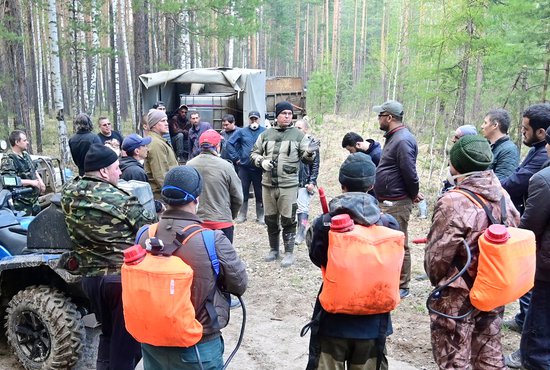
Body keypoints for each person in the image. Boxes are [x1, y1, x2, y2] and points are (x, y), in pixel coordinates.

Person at [137, 166, 248, 370]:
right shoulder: (211, 240)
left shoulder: (144, 235)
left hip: (152, 343)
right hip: (198, 346)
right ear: (197, 198)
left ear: (165, 197)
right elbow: (239, 285)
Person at [424, 135, 520, 369]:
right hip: (493, 288)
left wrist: (439, 282)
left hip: (458, 295)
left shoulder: (454, 201)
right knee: (488, 354)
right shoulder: (503, 195)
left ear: (456, 165)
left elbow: (437, 258)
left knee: (454, 358)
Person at [61, 143, 155, 370]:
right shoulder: (121, 198)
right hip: (120, 281)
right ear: (104, 172)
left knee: (108, 334)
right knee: (128, 347)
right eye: (116, 168)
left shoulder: (68, 193)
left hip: (91, 281)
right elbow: (146, 230)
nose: (120, 172)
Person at [305, 152, 400, 370]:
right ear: (372, 184)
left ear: (342, 184)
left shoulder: (324, 223)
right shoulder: (389, 223)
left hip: (332, 322)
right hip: (374, 324)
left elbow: (316, 257)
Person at [250, 101, 319, 267]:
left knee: (288, 218)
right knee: (270, 219)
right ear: (277, 115)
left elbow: (306, 159)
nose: (287, 116)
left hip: (288, 185)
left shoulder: (298, 135)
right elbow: (253, 153)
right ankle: (274, 250)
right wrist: (261, 161)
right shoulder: (265, 135)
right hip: (267, 185)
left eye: (290, 114)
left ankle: (289, 253)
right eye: (284, 113)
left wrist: (311, 152)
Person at [505, 127, 550, 370]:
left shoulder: (544, 179)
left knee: (540, 318)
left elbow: (529, 227)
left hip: (546, 266)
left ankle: (532, 360)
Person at [373, 100, 422, 298]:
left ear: (389, 118)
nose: (378, 119)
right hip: (387, 200)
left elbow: (410, 173)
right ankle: (388, 278)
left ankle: (403, 285)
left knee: (399, 241)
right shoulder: (394, 137)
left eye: (380, 115)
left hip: (398, 202)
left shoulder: (402, 140)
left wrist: (412, 194)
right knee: (387, 241)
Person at [187, 129, 243, 243]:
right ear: (218, 145)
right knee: (224, 258)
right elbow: (238, 197)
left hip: (197, 223)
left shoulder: (189, 165)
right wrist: (230, 214)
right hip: (221, 223)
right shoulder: (226, 166)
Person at [227, 110, 266, 224]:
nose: (254, 121)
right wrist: (236, 158)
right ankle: (242, 214)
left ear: (259, 119)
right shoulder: (242, 132)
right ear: (249, 120)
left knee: (259, 191)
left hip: (258, 168)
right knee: (242, 190)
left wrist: (265, 160)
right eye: (252, 119)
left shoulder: (265, 132)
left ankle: (260, 215)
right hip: (244, 167)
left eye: (255, 119)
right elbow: (229, 143)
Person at [0, 130, 46, 215]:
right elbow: (8, 181)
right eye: (24, 140)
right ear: (17, 142)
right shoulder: (8, 159)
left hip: (34, 201)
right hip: (21, 204)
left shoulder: (25, 155)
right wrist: (31, 182)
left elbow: (33, 169)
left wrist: (40, 182)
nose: (27, 142)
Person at [143, 108, 178, 198]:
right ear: (154, 124)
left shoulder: (159, 140)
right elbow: (160, 175)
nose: (167, 123)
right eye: (162, 121)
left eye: (166, 120)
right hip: (162, 195)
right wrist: (173, 196)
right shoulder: (156, 144)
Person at [295, 119, 320, 245]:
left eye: (299, 128)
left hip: (305, 181)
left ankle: (301, 232)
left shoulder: (312, 143)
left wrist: (312, 182)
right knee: (293, 207)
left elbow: (315, 165)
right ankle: (294, 230)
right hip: (292, 180)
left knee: (302, 207)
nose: (296, 130)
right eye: (295, 127)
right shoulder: (292, 141)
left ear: (306, 129)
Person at [480, 109, 520, 181]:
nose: (482, 126)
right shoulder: (488, 146)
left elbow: (502, 182)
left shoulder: (509, 150)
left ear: (495, 125)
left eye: (485, 123)